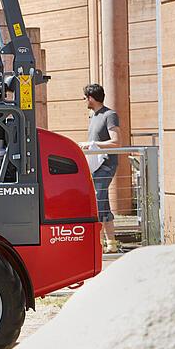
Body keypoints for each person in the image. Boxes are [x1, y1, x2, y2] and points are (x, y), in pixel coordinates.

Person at [79, 83, 122, 253]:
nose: (84, 101)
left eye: (85, 98)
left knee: (98, 201)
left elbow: (117, 141)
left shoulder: (109, 115)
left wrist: (93, 144)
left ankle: (99, 244)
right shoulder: (93, 115)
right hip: (96, 165)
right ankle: (110, 243)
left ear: (91, 98)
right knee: (102, 201)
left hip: (106, 165)